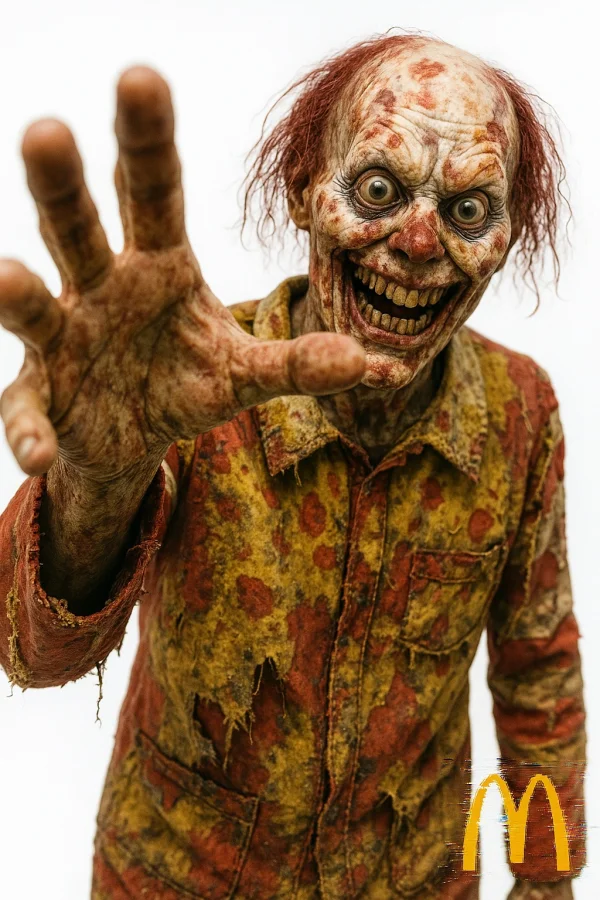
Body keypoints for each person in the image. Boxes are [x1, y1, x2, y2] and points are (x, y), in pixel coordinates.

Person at [0, 32, 585, 900]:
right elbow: (32, 654)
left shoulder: (519, 411)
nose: (419, 241)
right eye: (378, 189)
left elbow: (538, 667)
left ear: (506, 239)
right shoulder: (187, 383)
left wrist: (548, 874)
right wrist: (99, 481)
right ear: (305, 193)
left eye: (467, 209)